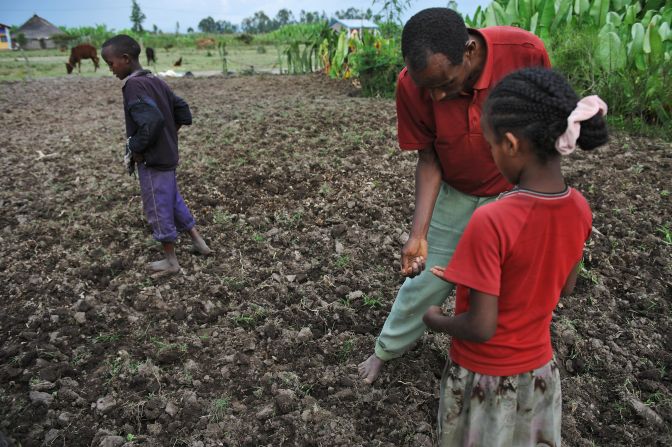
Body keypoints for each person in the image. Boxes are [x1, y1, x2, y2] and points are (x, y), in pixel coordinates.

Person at [359, 8, 551, 383]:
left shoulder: (525, 53)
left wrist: (536, 201)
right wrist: (419, 233)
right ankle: (386, 349)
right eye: (427, 88)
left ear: (469, 51)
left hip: (515, 194)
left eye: (444, 84)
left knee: (510, 288)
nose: (437, 95)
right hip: (458, 191)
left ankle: (508, 363)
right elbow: (429, 157)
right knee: (426, 279)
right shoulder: (412, 85)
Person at [423, 67, 608, 445]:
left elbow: (481, 327)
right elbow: (564, 286)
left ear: (510, 144)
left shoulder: (491, 218)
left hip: (484, 380)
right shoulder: (580, 209)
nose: (491, 155)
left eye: (490, 146)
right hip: (539, 375)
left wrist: (437, 320)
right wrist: (472, 274)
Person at [101, 35, 211, 276]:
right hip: (168, 154)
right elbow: (182, 111)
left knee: (157, 205)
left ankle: (171, 261)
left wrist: (137, 149)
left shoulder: (133, 86)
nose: (110, 70)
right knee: (172, 199)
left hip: (153, 160)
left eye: (111, 64)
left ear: (125, 59)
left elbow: (152, 121)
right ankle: (198, 242)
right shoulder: (156, 81)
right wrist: (168, 136)